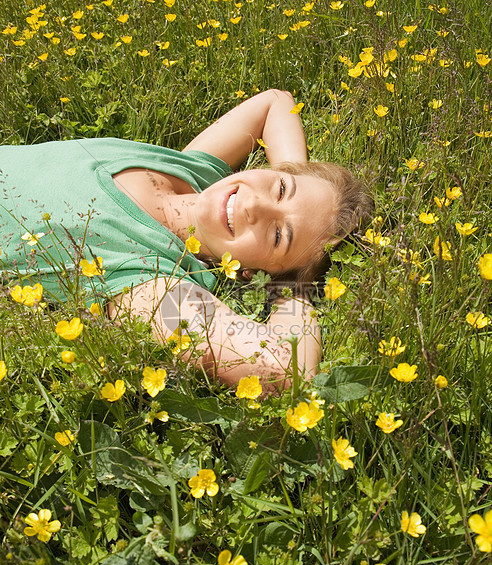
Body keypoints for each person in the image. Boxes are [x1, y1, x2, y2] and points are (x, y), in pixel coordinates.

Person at [0, 89, 373, 393]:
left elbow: (286, 370)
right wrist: (291, 172)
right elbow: (275, 101)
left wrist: (292, 289)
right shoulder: (194, 170)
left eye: (279, 235)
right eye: (279, 190)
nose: (254, 205)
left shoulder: (151, 277)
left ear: (250, 274)